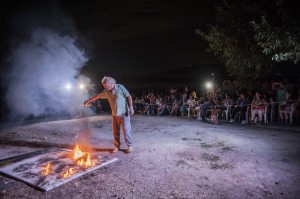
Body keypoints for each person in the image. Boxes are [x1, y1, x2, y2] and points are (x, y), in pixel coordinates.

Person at [83, 76, 134, 153]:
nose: (105, 88)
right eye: (104, 86)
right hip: (115, 115)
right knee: (115, 131)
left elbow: (129, 97)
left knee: (126, 130)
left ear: (112, 83)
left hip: (124, 114)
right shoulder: (106, 91)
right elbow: (98, 96)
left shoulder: (120, 87)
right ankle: (117, 146)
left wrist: (131, 107)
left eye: (106, 86)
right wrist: (88, 101)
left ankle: (129, 146)